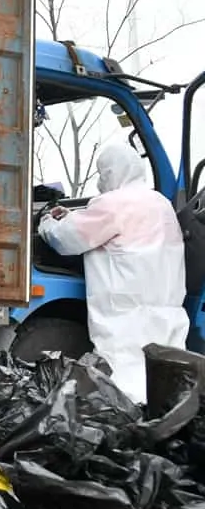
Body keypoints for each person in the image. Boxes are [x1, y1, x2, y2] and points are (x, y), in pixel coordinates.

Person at [39, 141, 188, 404]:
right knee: (165, 380)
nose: (100, 180)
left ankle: (132, 436)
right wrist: (74, 214)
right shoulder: (160, 203)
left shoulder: (114, 203)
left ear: (111, 172)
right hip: (167, 313)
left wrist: (47, 223)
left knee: (124, 386)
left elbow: (68, 239)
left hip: (125, 317)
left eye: (102, 173)